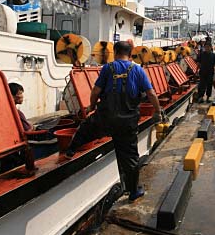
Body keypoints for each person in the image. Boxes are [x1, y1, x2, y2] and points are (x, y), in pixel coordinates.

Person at [65, 41, 164, 203]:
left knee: (86, 129)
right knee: (131, 158)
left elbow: (95, 91)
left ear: (115, 52)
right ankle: (133, 191)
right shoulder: (138, 70)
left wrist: (91, 106)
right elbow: (151, 94)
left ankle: (70, 152)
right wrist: (158, 112)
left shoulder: (107, 68)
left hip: (106, 118)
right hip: (127, 123)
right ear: (130, 54)